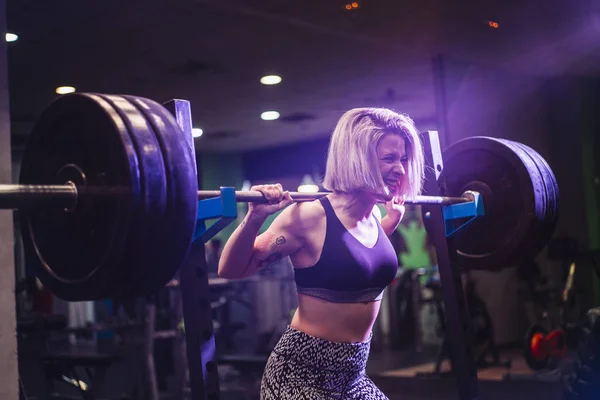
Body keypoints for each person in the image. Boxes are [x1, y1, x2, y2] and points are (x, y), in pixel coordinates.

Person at [218, 108, 424, 399]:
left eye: (403, 159)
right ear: (360, 160)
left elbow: (355, 257)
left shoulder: (375, 217)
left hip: (353, 377)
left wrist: (392, 220)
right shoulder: (308, 216)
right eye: (389, 159)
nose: (401, 169)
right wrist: (254, 218)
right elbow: (232, 269)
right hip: (300, 375)